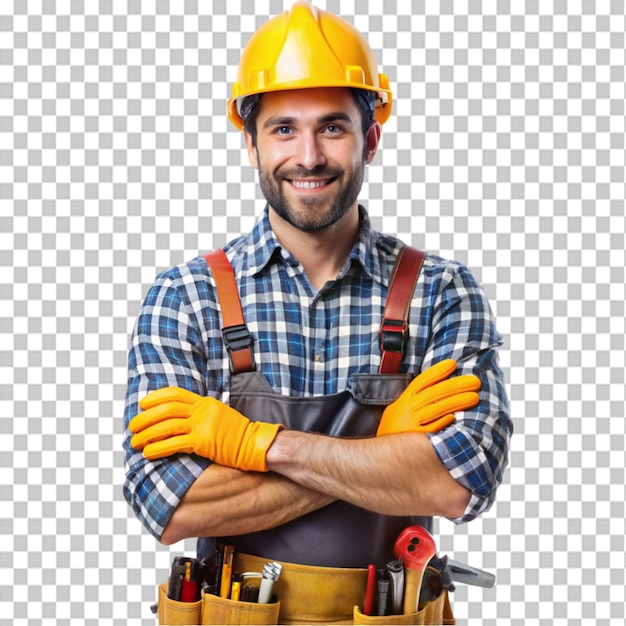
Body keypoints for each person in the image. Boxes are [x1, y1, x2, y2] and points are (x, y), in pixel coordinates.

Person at [123, 2, 511, 623]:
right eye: (283, 129)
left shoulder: (441, 291)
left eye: (333, 127)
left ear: (372, 139)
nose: (308, 156)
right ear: (250, 144)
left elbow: (457, 483)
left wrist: (251, 445)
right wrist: (380, 448)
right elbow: (168, 506)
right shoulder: (186, 297)